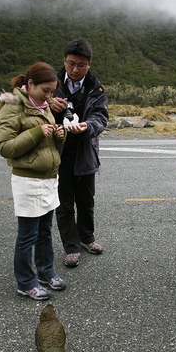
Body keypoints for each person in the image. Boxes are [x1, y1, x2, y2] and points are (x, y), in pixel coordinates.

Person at [0, 62, 67, 300]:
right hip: (27, 181)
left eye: (52, 91)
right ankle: (25, 282)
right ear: (30, 84)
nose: (49, 97)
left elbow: (47, 144)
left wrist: (59, 135)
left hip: (48, 179)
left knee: (45, 230)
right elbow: (5, 147)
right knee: (27, 235)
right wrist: (37, 132)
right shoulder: (13, 107)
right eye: (45, 90)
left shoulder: (42, 105)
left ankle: (46, 271)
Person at [50, 39, 108, 268]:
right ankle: (71, 246)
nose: (75, 70)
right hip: (58, 153)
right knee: (64, 203)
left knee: (86, 201)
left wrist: (88, 127)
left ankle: (87, 238)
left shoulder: (97, 89)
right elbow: (32, 103)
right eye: (71, 63)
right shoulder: (51, 85)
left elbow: (101, 117)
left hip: (85, 152)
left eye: (81, 65)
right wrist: (48, 104)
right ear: (64, 61)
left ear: (89, 64)